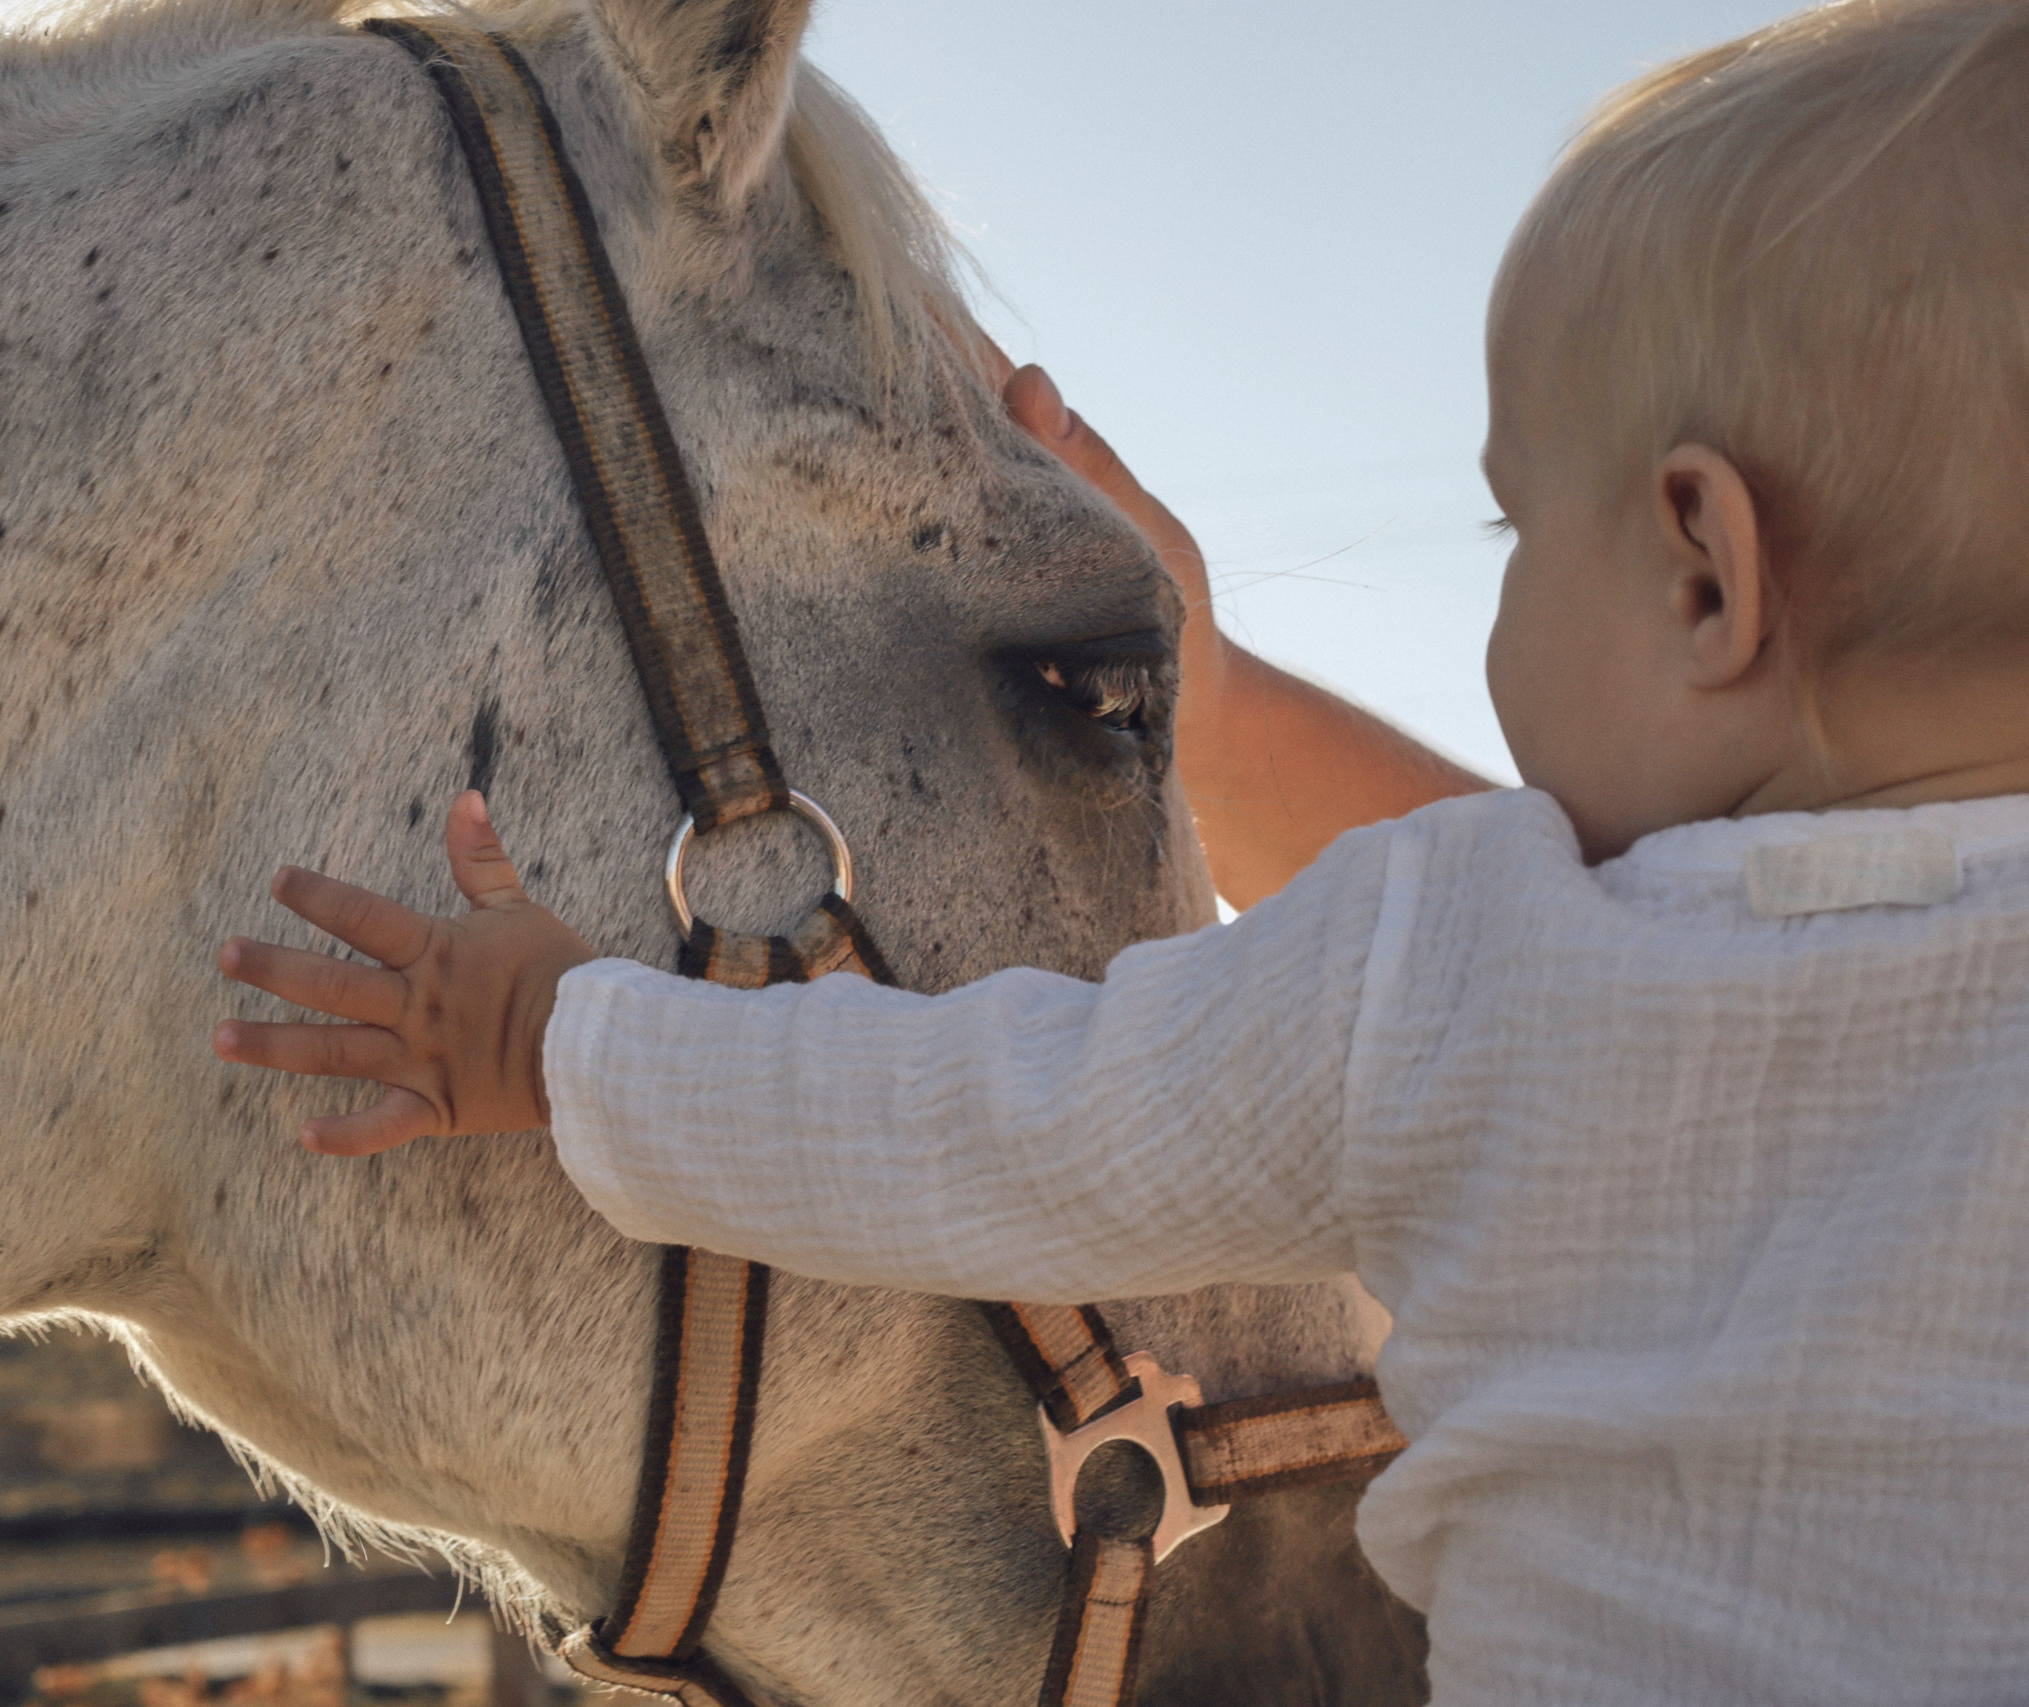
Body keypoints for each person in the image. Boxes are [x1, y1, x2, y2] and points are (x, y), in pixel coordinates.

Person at [212, 3, 2029, 1699]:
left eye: (1515, 528)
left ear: (1704, 572)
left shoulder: (1456, 971)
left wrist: (558, 1042)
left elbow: (979, 1129)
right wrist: (1215, 704)